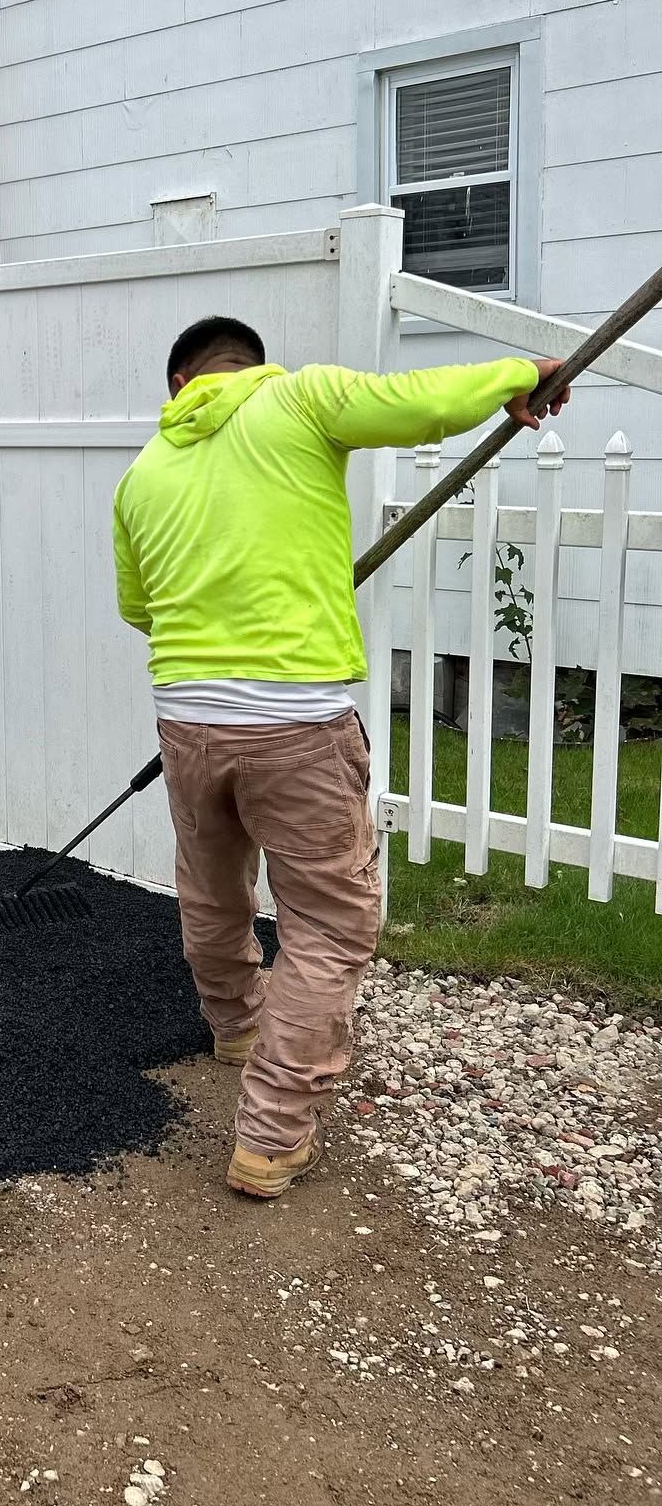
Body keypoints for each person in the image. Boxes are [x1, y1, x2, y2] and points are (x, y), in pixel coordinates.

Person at [112, 317, 570, 1199]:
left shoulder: (143, 475)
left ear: (180, 389)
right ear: (254, 366)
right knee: (328, 922)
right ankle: (274, 1133)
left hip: (189, 723)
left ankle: (240, 1028)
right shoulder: (298, 396)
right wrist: (524, 373)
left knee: (211, 889)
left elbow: (142, 607)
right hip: (296, 722)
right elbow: (416, 405)